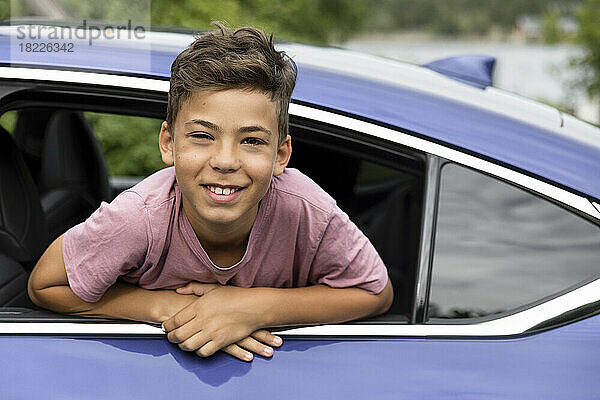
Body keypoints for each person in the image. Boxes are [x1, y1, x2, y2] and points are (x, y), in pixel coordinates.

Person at [28, 24, 393, 362]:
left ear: (280, 155)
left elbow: (377, 292)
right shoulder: (138, 218)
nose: (225, 161)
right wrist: (166, 308)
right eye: (202, 136)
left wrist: (253, 307)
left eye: (251, 141)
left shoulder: (305, 209)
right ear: (169, 143)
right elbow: (46, 284)